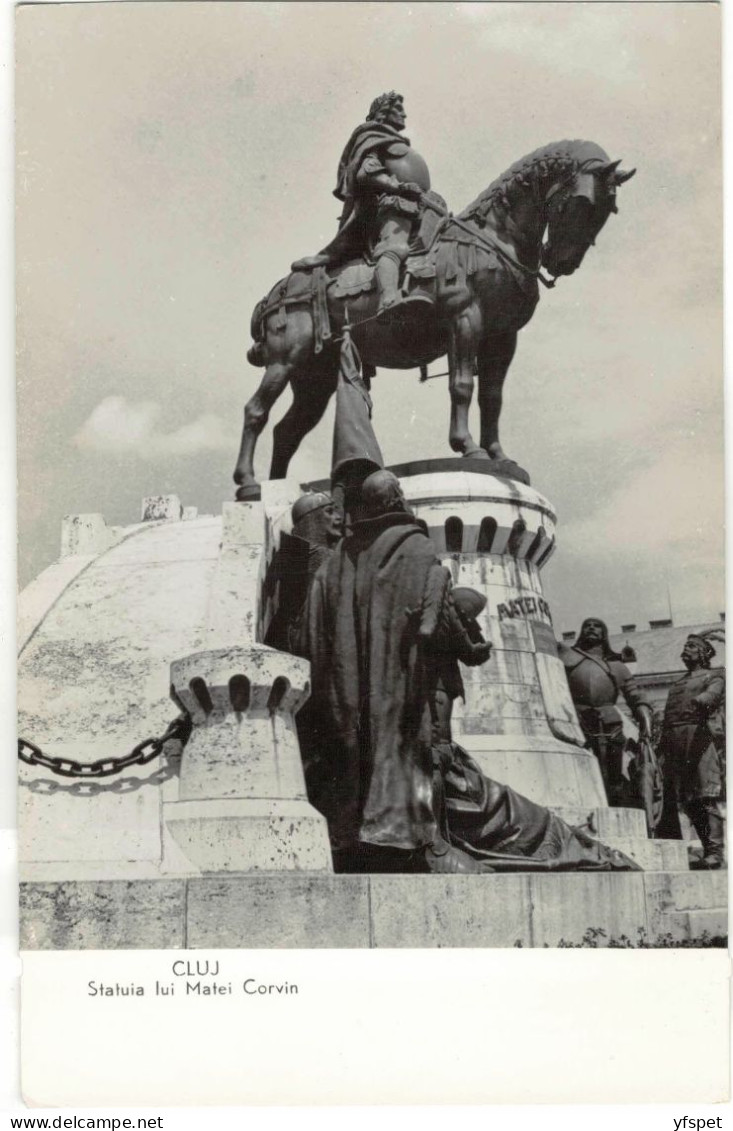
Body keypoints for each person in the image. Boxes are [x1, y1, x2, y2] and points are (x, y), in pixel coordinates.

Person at [293, 469, 493, 873]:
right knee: (416, 752)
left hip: (344, 696)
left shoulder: (337, 562)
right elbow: (435, 620)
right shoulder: (415, 549)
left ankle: (352, 836)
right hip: (399, 689)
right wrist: (470, 646)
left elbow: (310, 634)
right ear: (397, 498)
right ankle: (424, 845)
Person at [292, 92, 431, 318]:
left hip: (420, 205)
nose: (404, 114)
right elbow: (366, 171)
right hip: (394, 206)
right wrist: (398, 187)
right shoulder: (372, 137)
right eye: (398, 109)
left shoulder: (392, 140)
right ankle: (387, 300)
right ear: (384, 112)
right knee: (395, 247)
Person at [561, 617, 653, 806]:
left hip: (611, 725)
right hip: (578, 722)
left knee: (613, 779)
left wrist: (645, 719)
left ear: (604, 634)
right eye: (587, 625)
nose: (592, 628)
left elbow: (635, 696)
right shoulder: (567, 657)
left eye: (597, 626)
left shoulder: (617, 667)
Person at [656, 633, 725, 869]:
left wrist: (703, 700)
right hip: (675, 742)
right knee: (688, 801)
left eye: (692, 647)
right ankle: (708, 850)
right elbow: (667, 718)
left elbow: (714, 695)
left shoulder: (716, 674)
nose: (686, 649)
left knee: (706, 795)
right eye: (685, 646)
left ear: (704, 653)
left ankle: (716, 852)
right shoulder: (676, 684)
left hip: (700, 738)